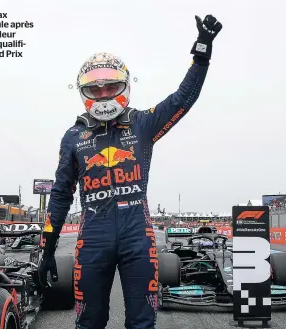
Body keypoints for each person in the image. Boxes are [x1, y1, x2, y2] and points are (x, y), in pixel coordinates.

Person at [38, 14, 222, 329]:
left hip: (138, 236)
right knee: (88, 322)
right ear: (84, 93)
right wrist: (48, 247)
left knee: (142, 323)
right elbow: (59, 194)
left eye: (111, 86)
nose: (104, 94)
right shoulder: (72, 136)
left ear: (124, 85)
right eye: (96, 90)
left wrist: (201, 54)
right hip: (92, 238)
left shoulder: (142, 123)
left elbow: (182, 100)